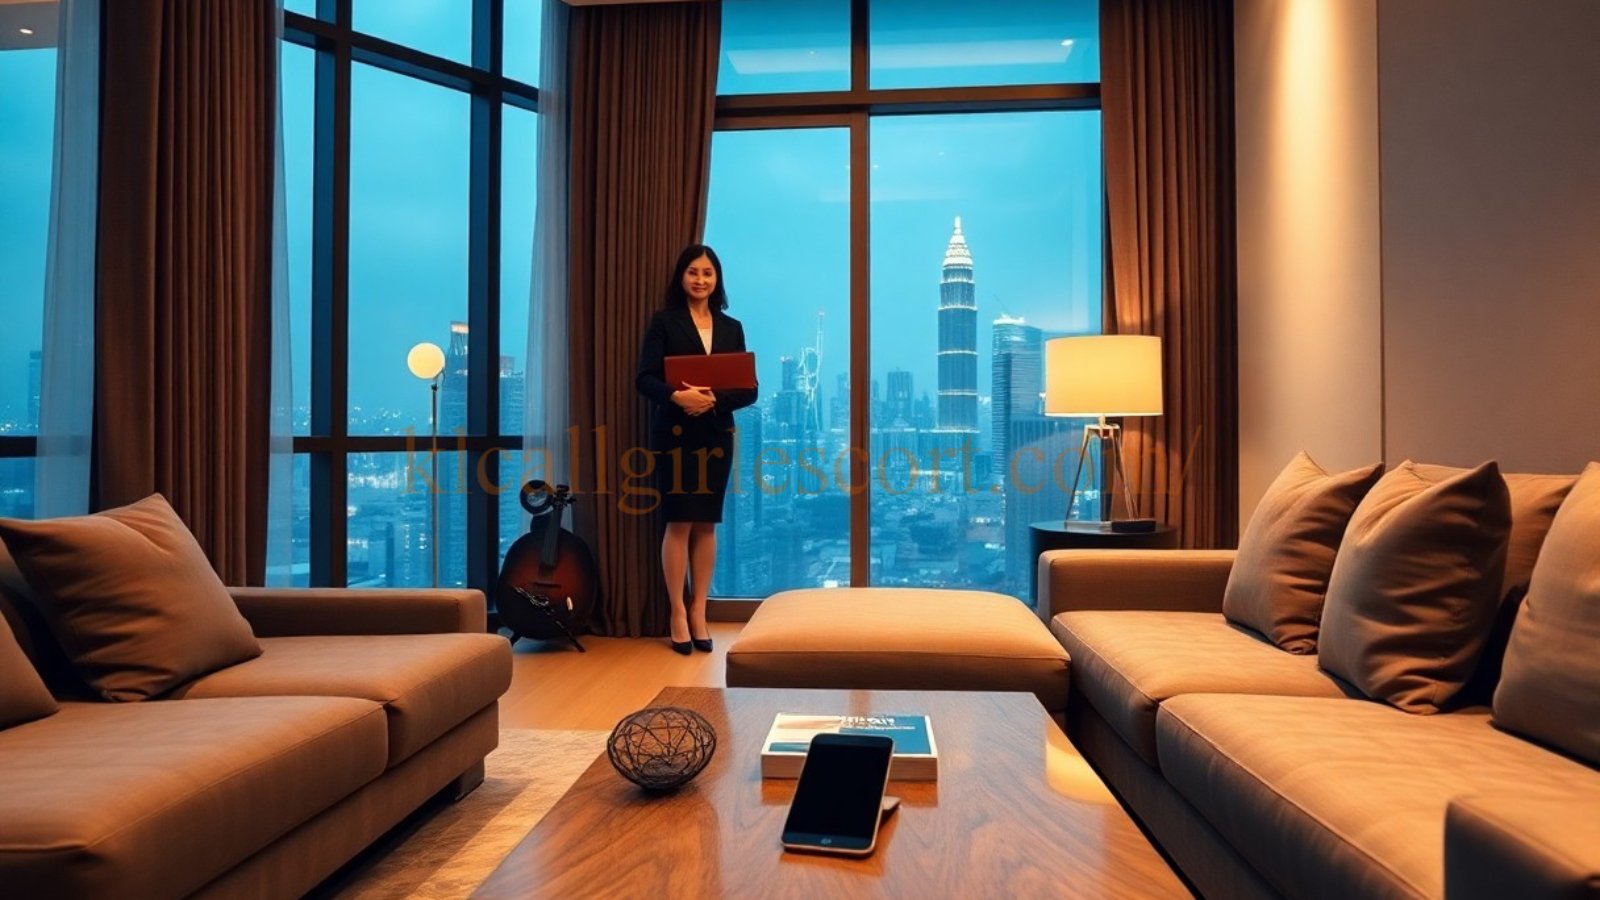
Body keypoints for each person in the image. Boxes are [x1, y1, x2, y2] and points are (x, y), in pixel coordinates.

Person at [635, 244, 758, 654]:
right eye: (693, 272)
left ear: (717, 279)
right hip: (674, 433)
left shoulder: (731, 327)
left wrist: (713, 401)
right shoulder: (664, 322)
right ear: (681, 277)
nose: (701, 280)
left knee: (706, 523)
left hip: (716, 434)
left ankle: (699, 610)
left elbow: (748, 389)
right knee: (678, 522)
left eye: (708, 273)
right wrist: (677, 397)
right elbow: (644, 379)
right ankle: (675, 612)